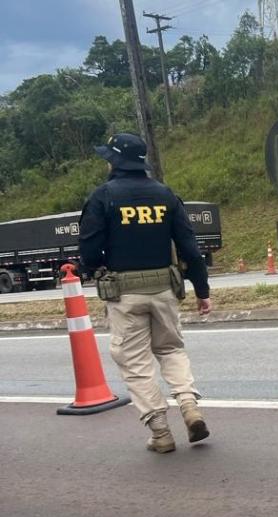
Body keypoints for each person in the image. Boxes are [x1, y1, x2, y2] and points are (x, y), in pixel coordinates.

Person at [79, 133, 212, 454]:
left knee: (135, 362)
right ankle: (189, 405)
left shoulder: (103, 197)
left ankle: (161, 432)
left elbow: (89, 249)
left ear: (114, 161)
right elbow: (190, 249)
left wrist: (97, 269)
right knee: (171, 349)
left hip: (124, 294)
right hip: (165, 289)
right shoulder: (165, 195)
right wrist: (201, 290)